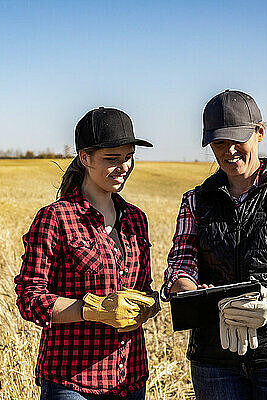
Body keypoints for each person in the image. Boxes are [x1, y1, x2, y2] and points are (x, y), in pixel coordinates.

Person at [162, 90, 267, 400]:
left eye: (237, 139)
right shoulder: (195, 201)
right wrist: (202, 297)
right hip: (215, 360)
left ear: (260, 132)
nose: (229, 151)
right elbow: (180, 267)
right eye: (218, 143)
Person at [15, 107, 161, 399]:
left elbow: (143, 287)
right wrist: (90, 309)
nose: (123, 167)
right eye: (111, 159)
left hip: (130, 376)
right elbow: (29, 299)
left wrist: (149, 303)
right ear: (85, 157)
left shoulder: (135, 218)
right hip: (71, 380)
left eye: (128, 157)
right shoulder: (56, 218)